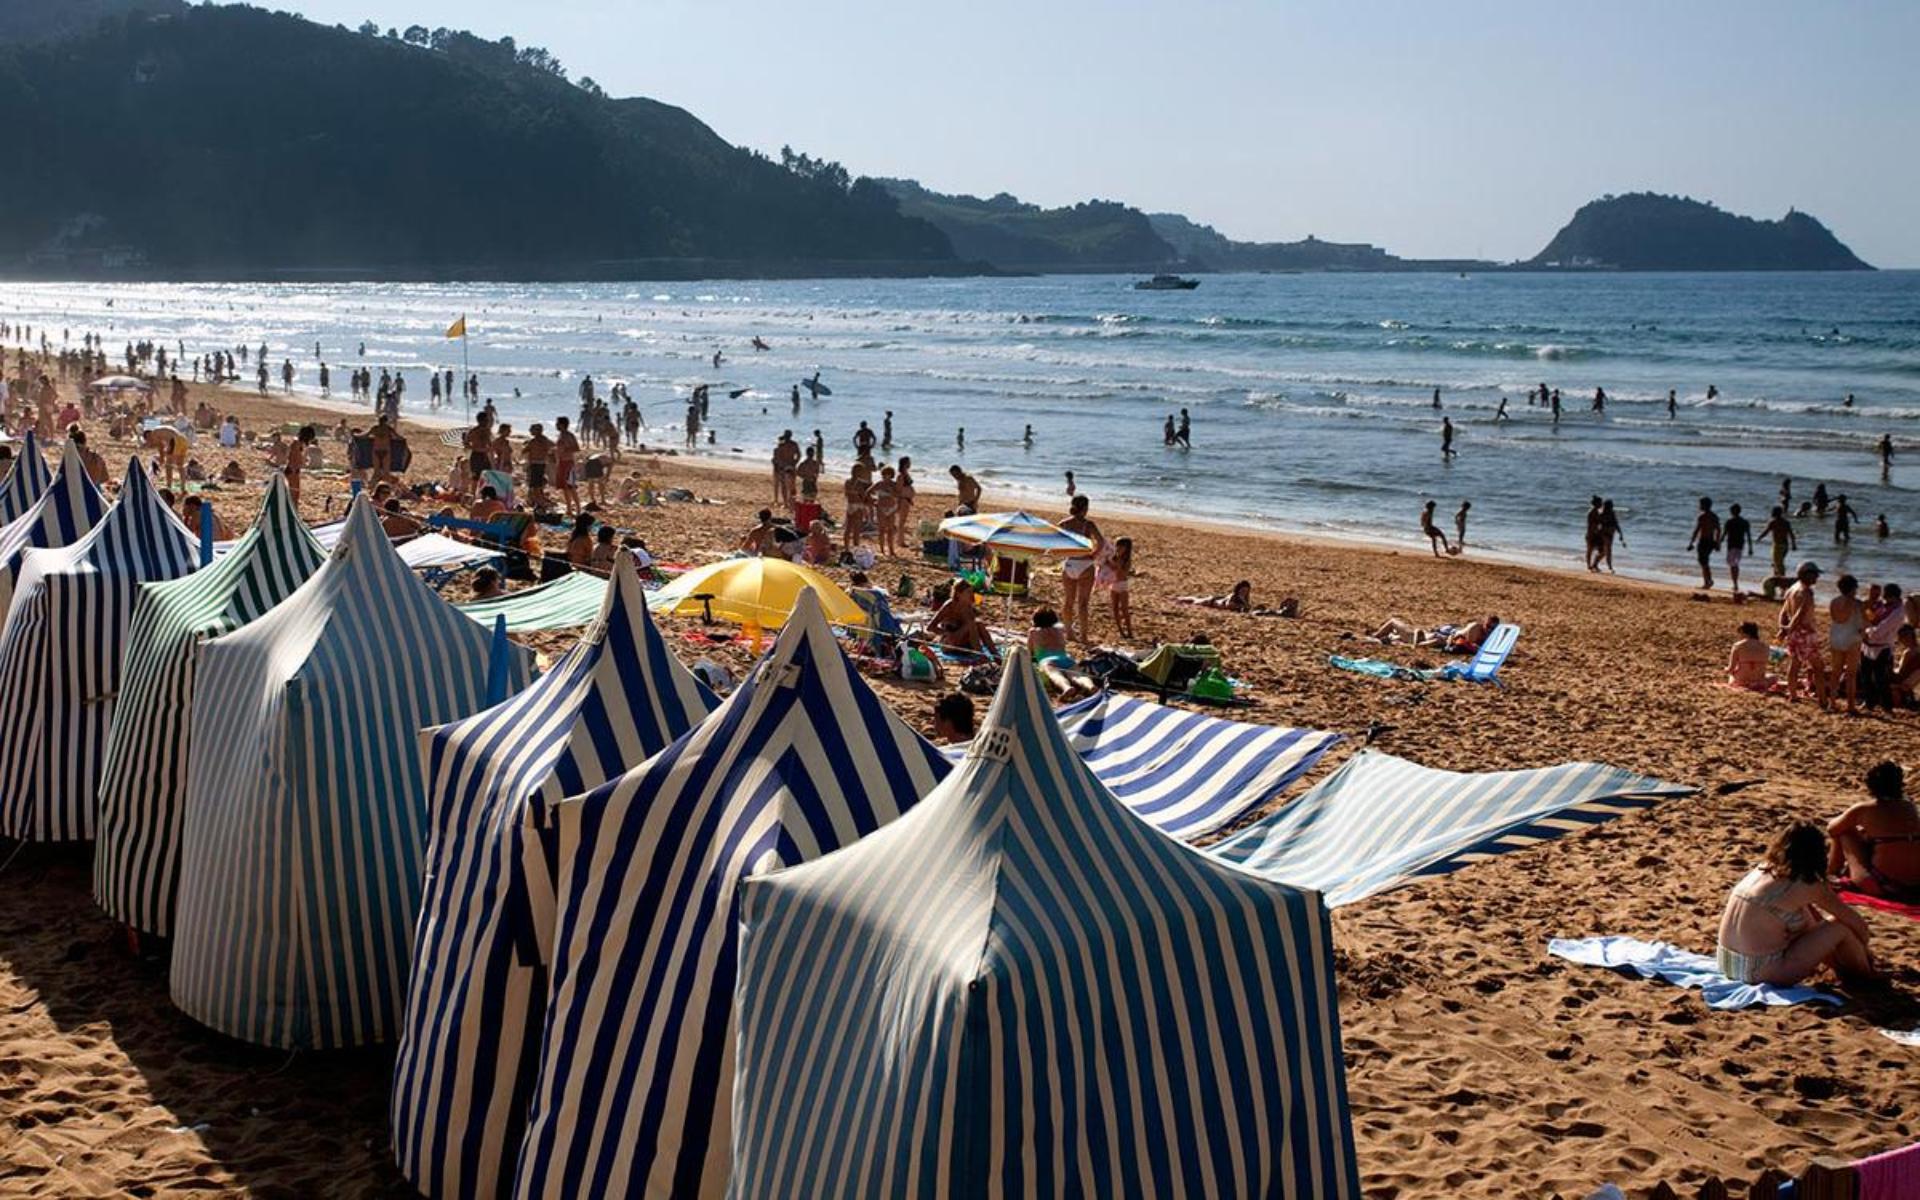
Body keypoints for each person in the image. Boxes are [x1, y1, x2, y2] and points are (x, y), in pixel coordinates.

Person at [1714, 821, 1875, 986]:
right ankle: (1865, 978)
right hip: (1760, 972)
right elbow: (1856, 923)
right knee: (1840, 927)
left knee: (1806, 917)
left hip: (1727, 963)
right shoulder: (1808, 886)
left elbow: (1809, 927)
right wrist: (1863, 949)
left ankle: (1847, 967)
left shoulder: (1763, 869)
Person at [1827, 762, 1920, 901]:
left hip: (1881, 886)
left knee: (1844, 832)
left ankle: (1831, 873)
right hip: (1915, 886)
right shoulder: (1910, 808)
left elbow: (1832, 829)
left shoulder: (1864, 809)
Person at [1778, 561, 1828, 707]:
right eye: (1815, 574)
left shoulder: (1792, 588)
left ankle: (1793, 695)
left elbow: (1784, 611)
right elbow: (1799, 614)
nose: (1817, 577)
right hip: (1805, 633)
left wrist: (1783, 628)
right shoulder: (1806, 592)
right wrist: (1788, 627)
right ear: (1805, 574)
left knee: (1795, 664)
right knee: (1818, 667)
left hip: (1794, 633)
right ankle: (1823, 701)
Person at [1059, 494, 1105, 642]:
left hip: (1070, 562)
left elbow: (1054, 539)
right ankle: (1084, 636)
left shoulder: (1064, 523)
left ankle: (1069, 633)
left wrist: (1064, 552)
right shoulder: (1088, 524)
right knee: (1083, 603)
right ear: (1085, 508)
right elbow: (1101, 542)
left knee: (1068, 601)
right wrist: (1093, 555)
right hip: (1085, 563)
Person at [1028, 609, 1097, 700]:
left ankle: (1066, 687)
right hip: (1065, 657)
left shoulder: (1033, 632)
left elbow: (1030, 649)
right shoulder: (1058, 631)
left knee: (1055, 674)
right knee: (1078, 675)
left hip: (1047, 659)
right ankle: (1090, 686)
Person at [1828, 573, 1865, 715]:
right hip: (1852, 639)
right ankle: (1850, 705)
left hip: (1836, 637)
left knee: (1836, 672)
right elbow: (1867, 621)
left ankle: (1832, 702)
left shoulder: (1833, 602)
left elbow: (1837, 618)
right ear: (1853, 588)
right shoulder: (1857, 604)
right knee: (1851, 674)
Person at [931, 579, 994, 658]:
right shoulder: (949, 606)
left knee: (978, 624)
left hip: (963, 644)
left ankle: (994, 654)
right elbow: (930, 627)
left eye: (971, 592)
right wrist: (946, 633)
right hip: (949, 643)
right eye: (968, 593)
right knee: (972, 624)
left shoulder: (967, 607)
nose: (971, 595)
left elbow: (973, 632)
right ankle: (980, 655)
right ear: (958, 594)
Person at [1727, 621, 1773, 691]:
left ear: (1742, 631)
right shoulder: (1765, 646)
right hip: (1758, 680)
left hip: (1741, 680)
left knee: (1731, 676)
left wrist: (1726, 670)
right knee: (1773, 677)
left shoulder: (1738, 645)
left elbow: (1731, 669)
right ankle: (1755, 684)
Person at [1687, 496, 1721, 590]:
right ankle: (1708, 580)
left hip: (1703, 541)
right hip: (1711, 541)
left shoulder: (1702, 517)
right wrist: (1717, 543)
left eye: (1700, 504)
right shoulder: (1714, 516)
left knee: (1703, 561)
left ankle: (1708, 581)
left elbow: (1697, 530)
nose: (1699, 506)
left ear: (1704, 505)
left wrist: (1691, 543)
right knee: (1705, 561)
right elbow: (1718, 530)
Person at [1759, 506, 1796, 584]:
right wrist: (1793, 544)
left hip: (1777, 545)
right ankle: (1776, 579)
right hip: (1785, 546)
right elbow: (1791, 534)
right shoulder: (1786, 522)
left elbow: (1766, 532)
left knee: (1778, 564)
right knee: (1778, 563)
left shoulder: (1773, 522)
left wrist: (1759, 538)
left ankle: (1782, 581)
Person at [1722, 503, 1753, 593]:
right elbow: (1748, 536)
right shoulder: (1744, 522)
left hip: (1731, 545)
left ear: (1732, 511)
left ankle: (1735, 584)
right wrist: (1750, 548)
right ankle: (1735, 583)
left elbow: (1724, 534)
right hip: (1740, 545)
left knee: (1732, 564)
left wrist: (1719, 543)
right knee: (1734, 564)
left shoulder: (1729, 521)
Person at [772, 430, 800, 506]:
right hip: (790, 465)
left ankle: (786, 503)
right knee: (791, 485)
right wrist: (795, 462)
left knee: (785, 486)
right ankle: (790, 502)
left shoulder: (782, 445)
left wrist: (781, 464)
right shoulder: (794, 444)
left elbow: (778, 457)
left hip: (784, 466)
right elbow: (798, 455)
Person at [1597, 499, 1625, 572]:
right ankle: (1609, 567)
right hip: (1604, 534)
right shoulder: (1601, 514)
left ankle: (1596, 564)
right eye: (1611, 505)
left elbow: (1616, 524)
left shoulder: (1612, 513)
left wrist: (1620, 534)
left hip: (1610, 534)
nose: (1612, 506)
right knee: (1607, 551)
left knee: (1605, 552)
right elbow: (1598, 524)